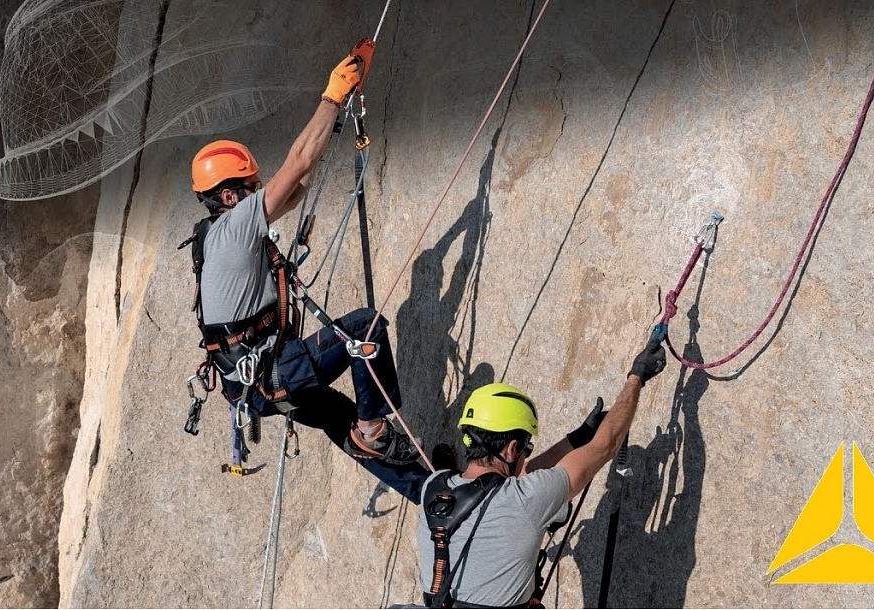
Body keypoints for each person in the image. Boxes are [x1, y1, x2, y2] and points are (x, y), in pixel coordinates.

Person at [189, 48, 425, 500]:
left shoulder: (215, 235)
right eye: (251, 187)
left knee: (341, 419)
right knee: (364, 328)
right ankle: (375, 429)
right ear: (232, 196)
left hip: (255, 385)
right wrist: (332, 98)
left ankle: (428, 492)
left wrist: (328, 130)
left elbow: (294, 189)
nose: (259, 192)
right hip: (272, 373)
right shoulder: (236, 227)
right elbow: (296, 163)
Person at [414, 334, 669, 608]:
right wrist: (636, 378)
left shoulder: (434, 485)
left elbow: (517, 484)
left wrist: (577, 437)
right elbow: (605, 446)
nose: (527, 457)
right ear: (512, 449)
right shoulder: (527, 499)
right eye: (527, 448)